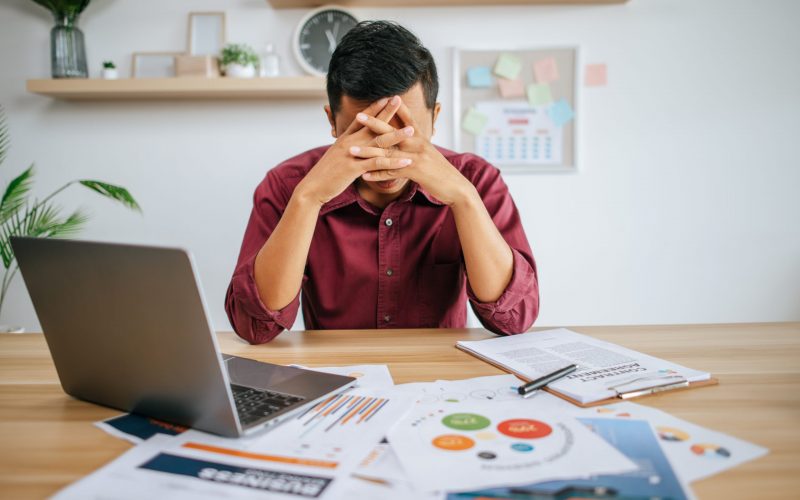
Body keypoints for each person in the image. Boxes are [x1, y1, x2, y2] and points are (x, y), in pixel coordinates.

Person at [225, 21, 539, 345]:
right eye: (366, 134)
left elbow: (515, 318)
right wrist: (308, 199)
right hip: (335, 377)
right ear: (332, 122)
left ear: (435, 119)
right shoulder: (287, 186)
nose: (385, 155)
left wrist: (463, 199)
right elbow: (255, 326)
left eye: (405, 132)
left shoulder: (476, 180)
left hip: (439, 380)